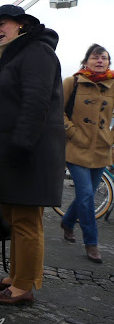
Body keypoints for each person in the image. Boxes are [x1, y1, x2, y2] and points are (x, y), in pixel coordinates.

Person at [0, 4, 64, 305]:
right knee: (16, 218)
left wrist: (21, 145)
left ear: (23, 25)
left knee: (27, 221)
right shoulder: (16, 57)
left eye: (3, 24)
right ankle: (16, 276)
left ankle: (24, 285)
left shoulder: (36, 53)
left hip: (28, 154)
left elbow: (35, 102)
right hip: (15, 153)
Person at [60, 43, 114, 264]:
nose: (99, 60)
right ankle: (91, 243)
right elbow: (57, 111)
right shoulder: (72, 82)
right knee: (87, 195)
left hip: (101, 149)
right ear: (86, 61)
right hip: (76, 148)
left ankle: (67, 222)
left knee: (87, 194)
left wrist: (111, 138)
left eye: (104, 57)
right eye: (95, 57)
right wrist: (72, 132)